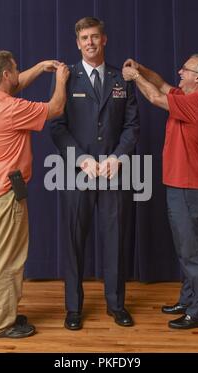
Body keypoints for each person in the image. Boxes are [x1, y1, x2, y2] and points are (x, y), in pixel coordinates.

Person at [50, 17, 139, 330]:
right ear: (78, 43)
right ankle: (74, 308)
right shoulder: (67, 78)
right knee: (75, 241)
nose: (90, 42)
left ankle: (116, 304)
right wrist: (82, 160)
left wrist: (117, 158)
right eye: (84, 38)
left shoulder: (121, 78)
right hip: (78, 173)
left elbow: (131, 126)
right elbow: (57, 127)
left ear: (104, 40)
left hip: (115, 173)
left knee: (115, 240)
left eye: (95, 37)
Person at [0, 50, 69, 338]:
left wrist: (40, 67)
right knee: (8, 263)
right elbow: (56, 108)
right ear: (5, 75)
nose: (17, 74)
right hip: (5, 199)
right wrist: (61, 79)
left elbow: (14, 86)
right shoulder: (12, 110)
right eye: (15, 70)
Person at [123, 54, 198, 329]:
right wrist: (141, 68)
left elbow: (155, 98)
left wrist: (135, 77)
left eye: (185, 70)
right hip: (179, 185)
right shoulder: (187, 96)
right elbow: (162, 85)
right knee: (184, 249)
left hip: (189, 187)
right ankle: (188, 300)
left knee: (194, 253)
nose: (180, 71)